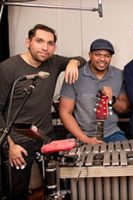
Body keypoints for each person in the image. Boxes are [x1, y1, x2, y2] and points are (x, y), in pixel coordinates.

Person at [0, 24, 86, 200]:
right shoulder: (7, 68)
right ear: (28, 42)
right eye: (39, 41)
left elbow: (81, 59)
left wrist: (72, 63)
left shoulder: (53, 62)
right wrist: (10, 146)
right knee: (17, 192)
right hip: (18, 141)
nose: (45, 47)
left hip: (46, 136)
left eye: (50, 43)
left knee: (56, 189)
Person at [59, 39, 129, 144]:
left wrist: (112, 99)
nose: (102, 59)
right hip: (80, 134)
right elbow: (65, 113)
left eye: (107, 56)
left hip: (111, 134)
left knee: (127, 156)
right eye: (97, 54)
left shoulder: (119, 75)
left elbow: (124, 108)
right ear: (90, 55)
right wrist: (85, 139)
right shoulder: (74, 75)